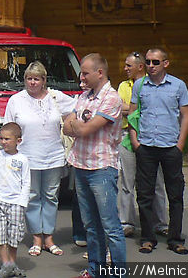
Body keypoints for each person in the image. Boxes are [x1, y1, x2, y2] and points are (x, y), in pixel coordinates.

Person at [3, 60, 74, 257]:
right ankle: (36, 237)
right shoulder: (16, 100)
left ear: (44, 80)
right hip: (27, 157)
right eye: (28, 78)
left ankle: (49, 237)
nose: (32, 82)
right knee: (32, 197)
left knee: (51, 196)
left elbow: (78, 108)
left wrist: (70, 124)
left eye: (36, 79)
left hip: (53, 155)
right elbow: (9, 128)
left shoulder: (55, 97)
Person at [63, 53, 126, 278]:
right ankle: (95, 270)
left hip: (101, 168)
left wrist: (77, 124)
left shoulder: (111, 98)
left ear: (100, 73)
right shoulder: (85, 97)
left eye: (85, 73)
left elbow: (85, 130)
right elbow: (66, 126)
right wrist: (76, 124)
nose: (82, 77)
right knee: (90, 225)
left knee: (110, 225)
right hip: (80, 164)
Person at [129, 47, 188, 255]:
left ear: (165, 63)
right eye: (148, 62)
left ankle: (175, 238)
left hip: (170, 146)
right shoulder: (140, 85)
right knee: (144, 195)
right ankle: (147, 237)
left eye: (155, 62)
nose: (151, 66)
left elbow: (186, 115)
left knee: (175, 194)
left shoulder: (178, 85)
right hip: (146, 146)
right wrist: (134, 140)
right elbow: (132, 113)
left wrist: (180, 144)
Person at [117, 52, 168, 237]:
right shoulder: (124, 85)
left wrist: (131, 108)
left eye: (129, 65)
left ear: (140, 67)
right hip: (125, 135)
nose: (125, 68)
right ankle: (126, 222)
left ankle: (160, 222)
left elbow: (136, 108)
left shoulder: (150, 83)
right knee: (126, 182)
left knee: (156, 181)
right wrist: (135, 109)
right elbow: (118, 107)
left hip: (150, 136)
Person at [0, 122, 31, 278]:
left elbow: (26, 182)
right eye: (2, 138)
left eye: (7, 139)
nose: (3, 142)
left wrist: (21, 202)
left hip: (16, 203)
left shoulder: (23, 159)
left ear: (18, 140)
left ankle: (12, 264)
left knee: (14, 236)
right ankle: (6, 264)